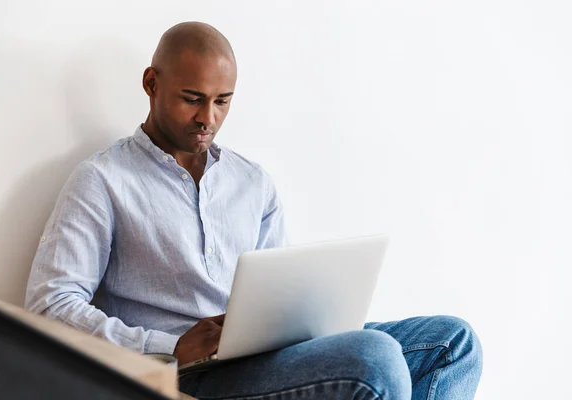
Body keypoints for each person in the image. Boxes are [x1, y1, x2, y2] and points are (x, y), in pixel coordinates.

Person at [25, 21, 482, 400]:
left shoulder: (252, 182)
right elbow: (50, 305)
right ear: (151, 84)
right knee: (375, 358)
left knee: (453, 342)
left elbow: (278, 287)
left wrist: (308, 321)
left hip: (266, 355)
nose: (208, 117)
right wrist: (171, 347)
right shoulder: (102, 180)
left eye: (222, 101)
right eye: (192, 98)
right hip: (187, 374)